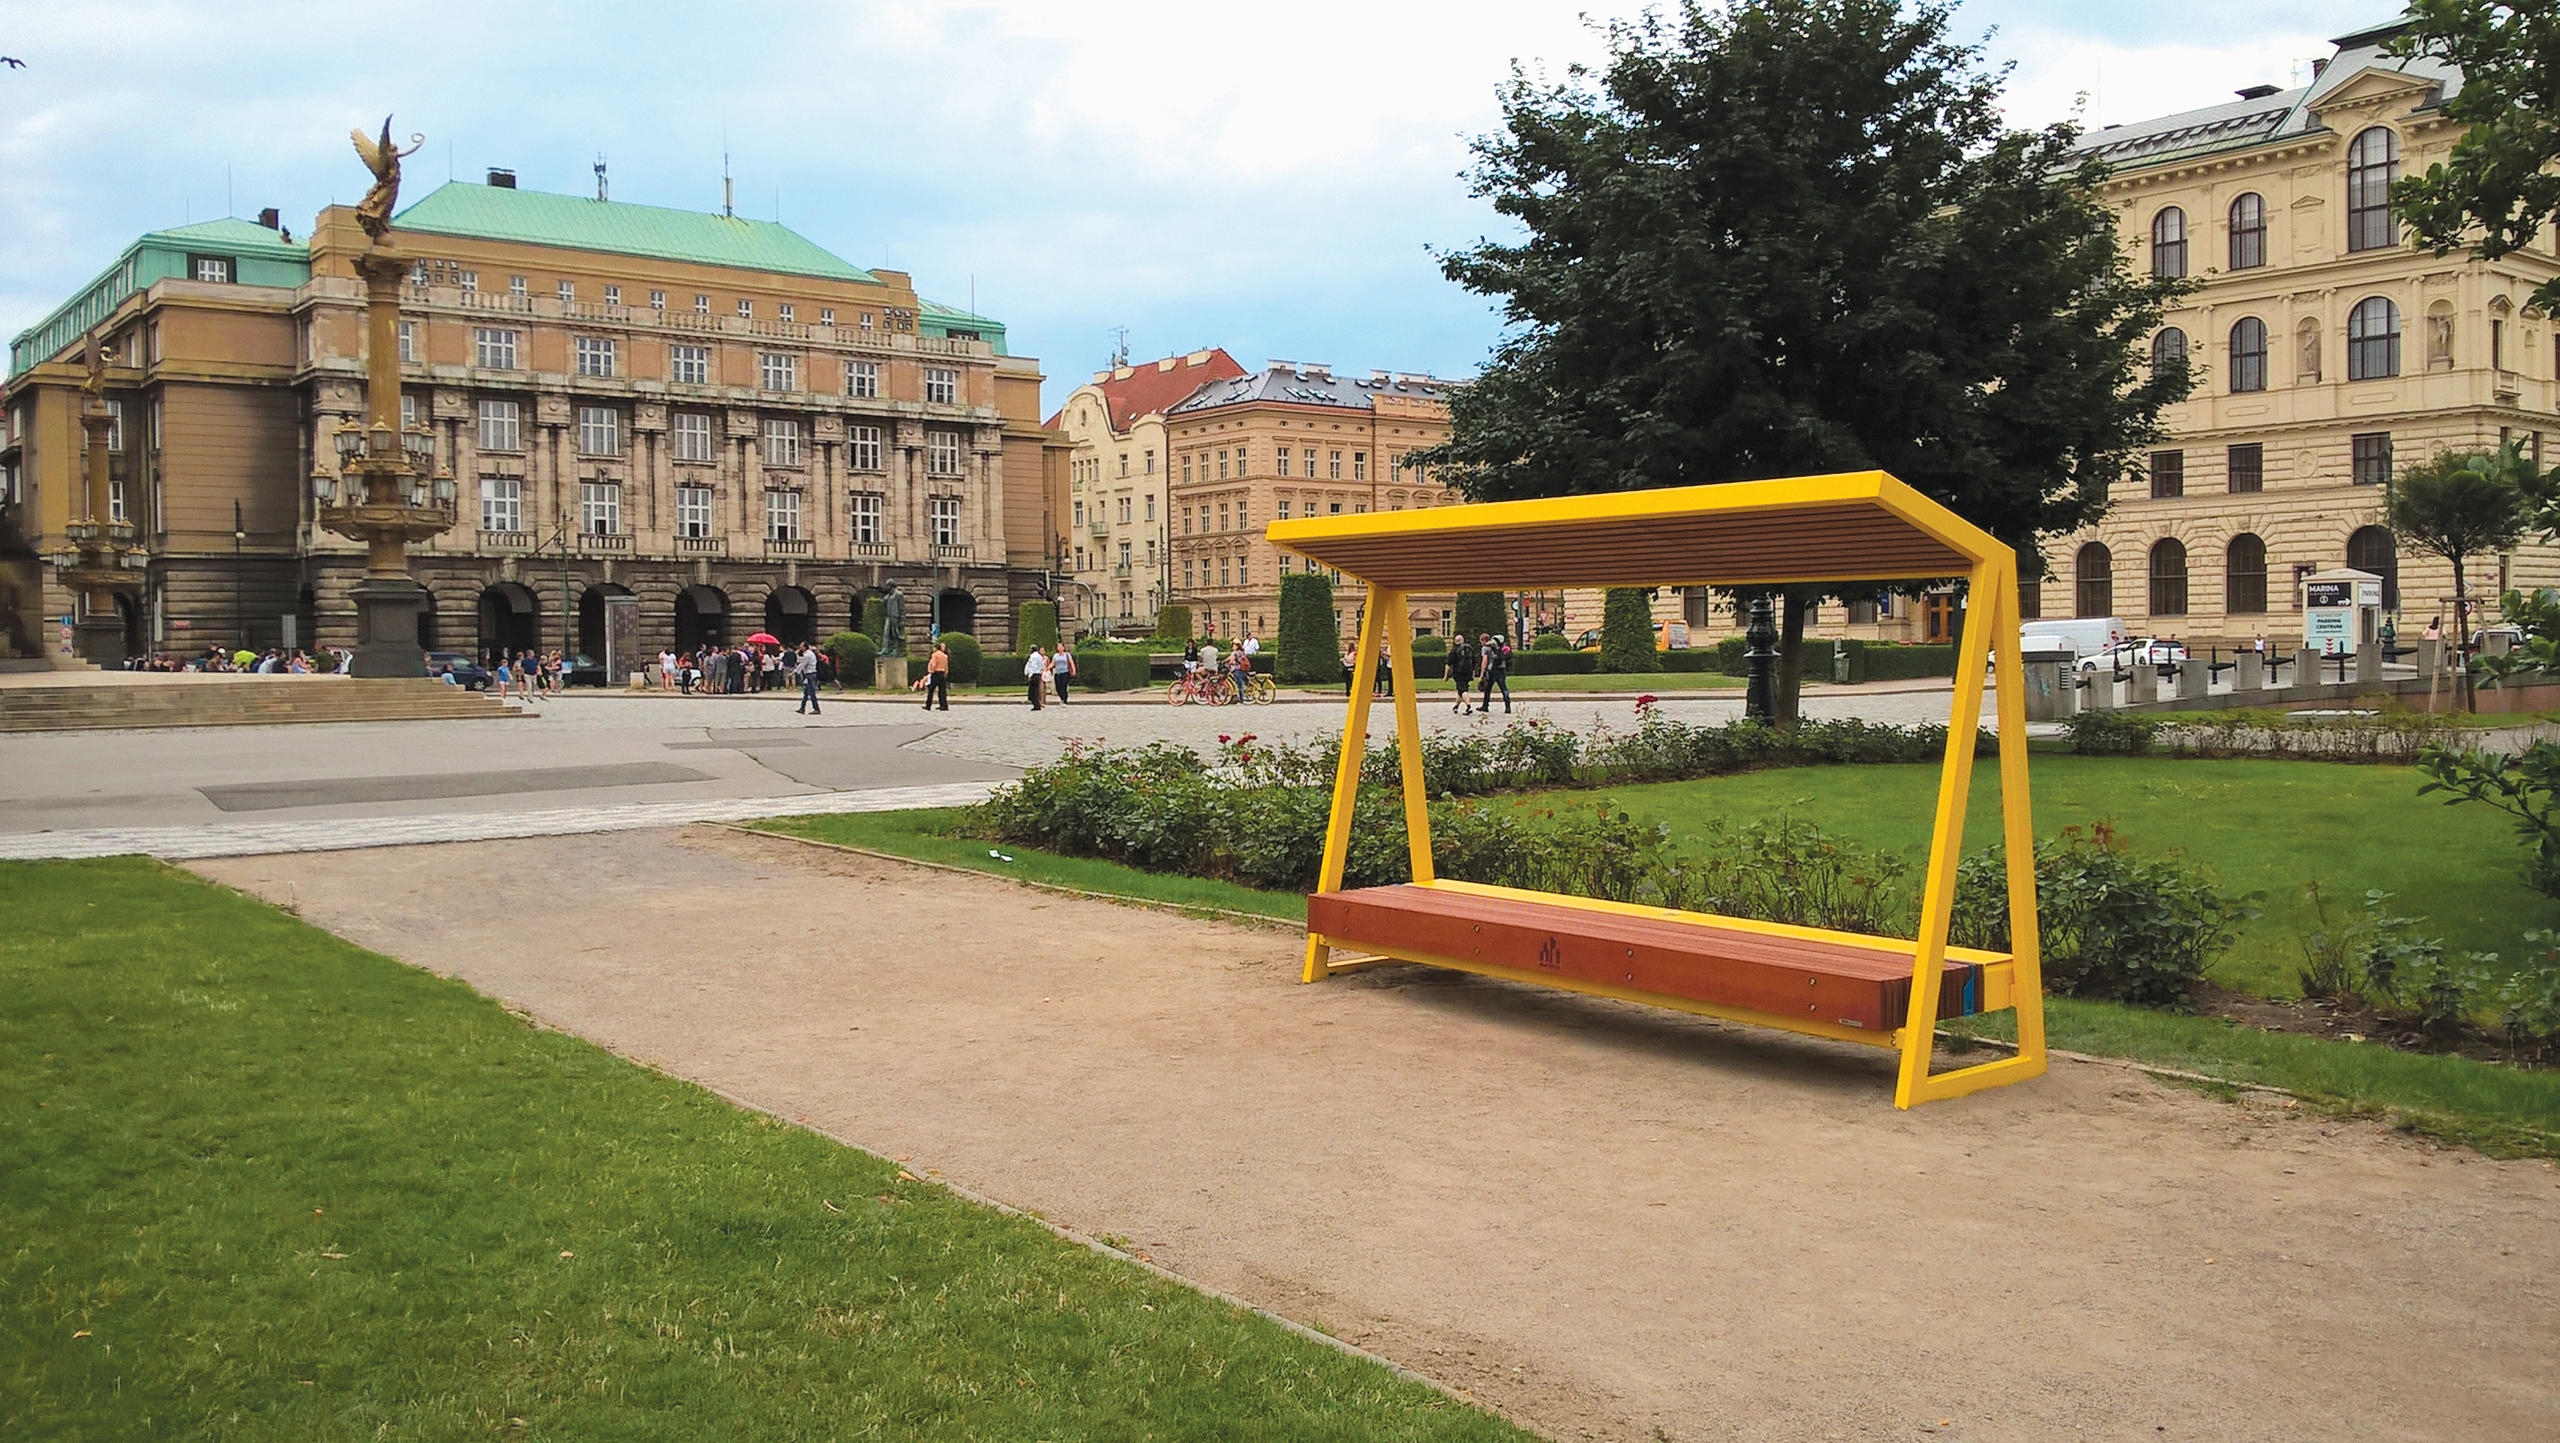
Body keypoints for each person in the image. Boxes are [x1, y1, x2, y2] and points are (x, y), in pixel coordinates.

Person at [1478, 632, 1512, 714]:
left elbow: (1485, 661)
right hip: (1502, 669)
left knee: (1488, 689)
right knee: (1504, 688)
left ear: (1483, 640)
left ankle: (1485, 705)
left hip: (1492, 670)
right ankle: (1508, 706)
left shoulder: (1486, 648)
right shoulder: (1499, 647)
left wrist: (1482, 673)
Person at [1446, 632, 1477, 714]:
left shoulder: (1454, 650)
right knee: (1462, 690)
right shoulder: (1470, 648)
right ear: (1463, 640)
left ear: (1455, 641)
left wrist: (1445, 676)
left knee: (1463, 690)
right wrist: (1473, 674)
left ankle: (1468, 707)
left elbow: (1448, 664)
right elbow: (1474, 663)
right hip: (1468, 672)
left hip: (1458, 673)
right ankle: (1456, 706)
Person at [794, 642, 823, 715]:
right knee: (806, 693)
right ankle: (802, 708)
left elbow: (802, 665)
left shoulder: (807, 655)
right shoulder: (810, 653)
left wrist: (794, 672)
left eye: (801, 646)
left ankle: (816, 709)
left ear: (804, 647)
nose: (800, 648)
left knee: (812, 693)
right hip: (810, 674)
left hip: (810, 674)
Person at [922, 640, 951, 711]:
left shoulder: (935, 655)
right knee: (942, 691)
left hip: (936, 673)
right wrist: (945, 673)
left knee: (931, 690)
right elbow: (946, 666)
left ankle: (928, 705)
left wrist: (931, 670)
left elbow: (934, 664)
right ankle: (944, 705)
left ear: (935, 648)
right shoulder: (945, 656)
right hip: (942, 673)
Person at [1024, 645, 1049, 710]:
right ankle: (1037, 704)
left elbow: (1032, 666)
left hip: (1034, 674)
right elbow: (1042, 666)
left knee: (1033, 691)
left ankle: (1036, 705)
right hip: (1038, 674)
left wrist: (1029, 675)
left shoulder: (1033, 657)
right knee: (1036, 690)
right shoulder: (1039, 656)